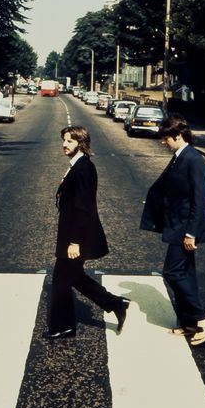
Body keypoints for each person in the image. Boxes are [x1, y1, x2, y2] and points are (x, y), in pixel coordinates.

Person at [45, 125, 129, 340]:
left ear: (81, 144)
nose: (65, 145)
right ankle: (116, 304)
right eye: (64, 140)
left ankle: (63, 326)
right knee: (75, 277)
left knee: (61, 281)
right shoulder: (78, 165)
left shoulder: (83, 169)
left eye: (70, 141)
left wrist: (74, 242)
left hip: (77, 236)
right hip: (73, 233)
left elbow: (83, 209)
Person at [140, 113, 205, 347]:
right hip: (176, 224)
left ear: (179, 135)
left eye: (167, 138)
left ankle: (203, 316)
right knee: (186, 273)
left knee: (172, 272)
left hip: (185, 228)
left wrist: (191, 233)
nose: (164, 142)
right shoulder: (178, 156)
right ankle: (189, 322)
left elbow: (200, 199)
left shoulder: (193, 160)